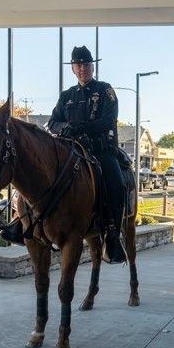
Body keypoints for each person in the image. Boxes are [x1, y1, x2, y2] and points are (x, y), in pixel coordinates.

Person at [46, 45, 126, 264]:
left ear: (93, 66)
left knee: (117, 185)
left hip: (100, 150)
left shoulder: (105, 90)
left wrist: (79, 127)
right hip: (69, 151)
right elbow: (52, 122)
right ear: (73, 69)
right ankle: (28, 224)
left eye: (86, 64)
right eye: (78, 65)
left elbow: (108, 120)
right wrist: (63, 128)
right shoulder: (66, 96)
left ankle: (112, 235)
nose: (82, 69)